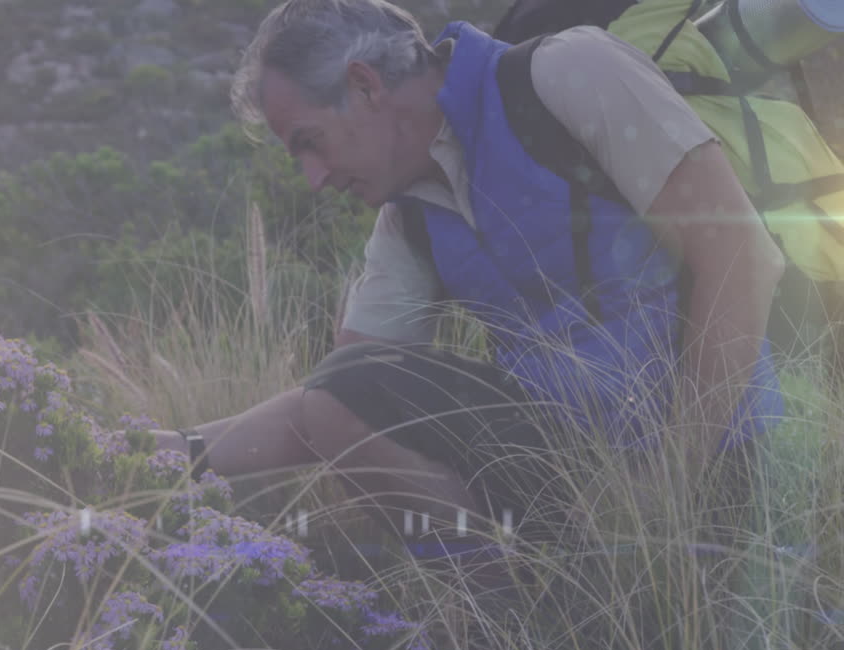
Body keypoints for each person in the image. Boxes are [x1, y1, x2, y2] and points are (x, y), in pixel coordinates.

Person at [152, 0, 785, 548]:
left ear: (366, 85)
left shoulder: (568, 73)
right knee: (344, 393)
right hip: (570, 483)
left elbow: (740, 258)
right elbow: (333, 401)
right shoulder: (409, 219)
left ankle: (555, 615)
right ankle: (505, 626)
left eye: (309, 141)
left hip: (716, 458)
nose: (313, 179)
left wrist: (671, 480)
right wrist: (160, 457)